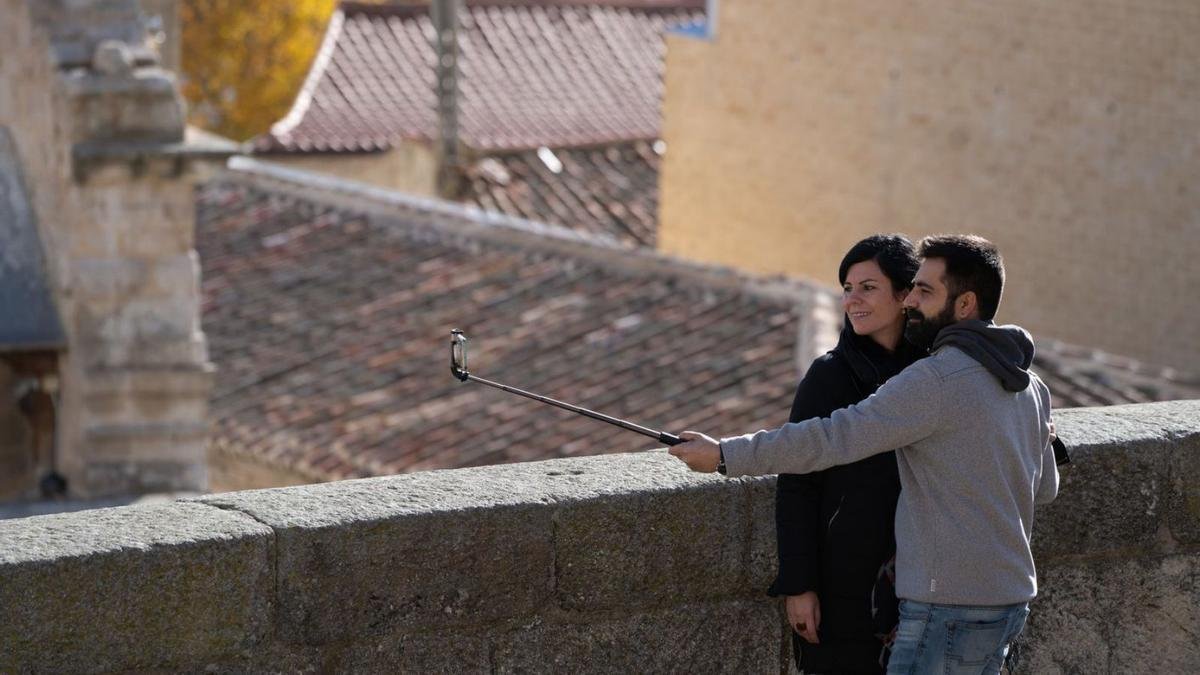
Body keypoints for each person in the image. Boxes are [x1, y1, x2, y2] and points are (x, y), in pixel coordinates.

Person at [671, 234, 1059, 675]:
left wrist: (724, 455)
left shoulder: (933, 380)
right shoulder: (1028, 385)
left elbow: (831, 437)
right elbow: (1043, 488)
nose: (913, 299)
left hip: (945, 604)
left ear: (965, 303)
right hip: (1008, 600)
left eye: (924, 290)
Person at [773, 235, 925, 674]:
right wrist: (799, 586)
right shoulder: (829, 376)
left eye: (868, 287)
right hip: (843, 588)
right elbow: (796, 481)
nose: (852, 300)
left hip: (922, 585)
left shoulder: (934, 373)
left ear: (905, 295)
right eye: (847, 288)